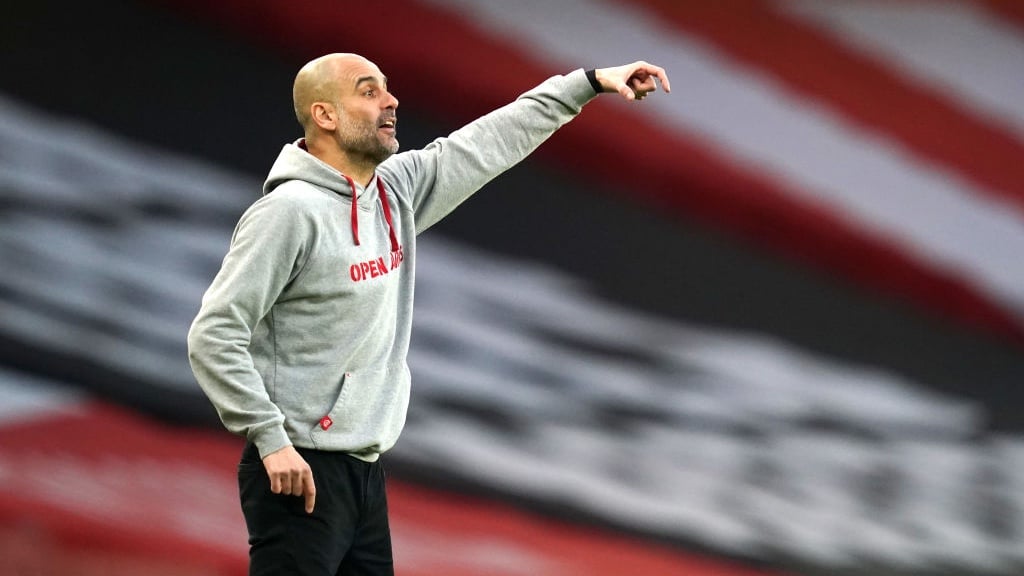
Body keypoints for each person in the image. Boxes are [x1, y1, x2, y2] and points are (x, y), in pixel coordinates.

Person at [187, 52, 670, 575]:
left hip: (364, 472)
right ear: (325, 116)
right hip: (299, 468)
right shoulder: (288, 213)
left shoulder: (395, 191)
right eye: (369, 91)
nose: (390, 100)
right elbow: (215, 333)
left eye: (388, 88)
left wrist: (590, 83)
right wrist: (270, 439)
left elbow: (488, 141)